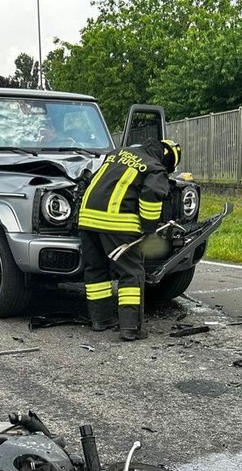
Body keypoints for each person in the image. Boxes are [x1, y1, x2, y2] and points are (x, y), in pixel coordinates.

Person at [78, 138, 180, 341]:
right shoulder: (155, 168)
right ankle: (131, 328)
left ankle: (101, 320)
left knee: (96, 270)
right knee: (131, 273)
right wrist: (149, 229)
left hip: (87, 220)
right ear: (167, 157)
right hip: (118, 223)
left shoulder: (116, 154)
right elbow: (150, 197)